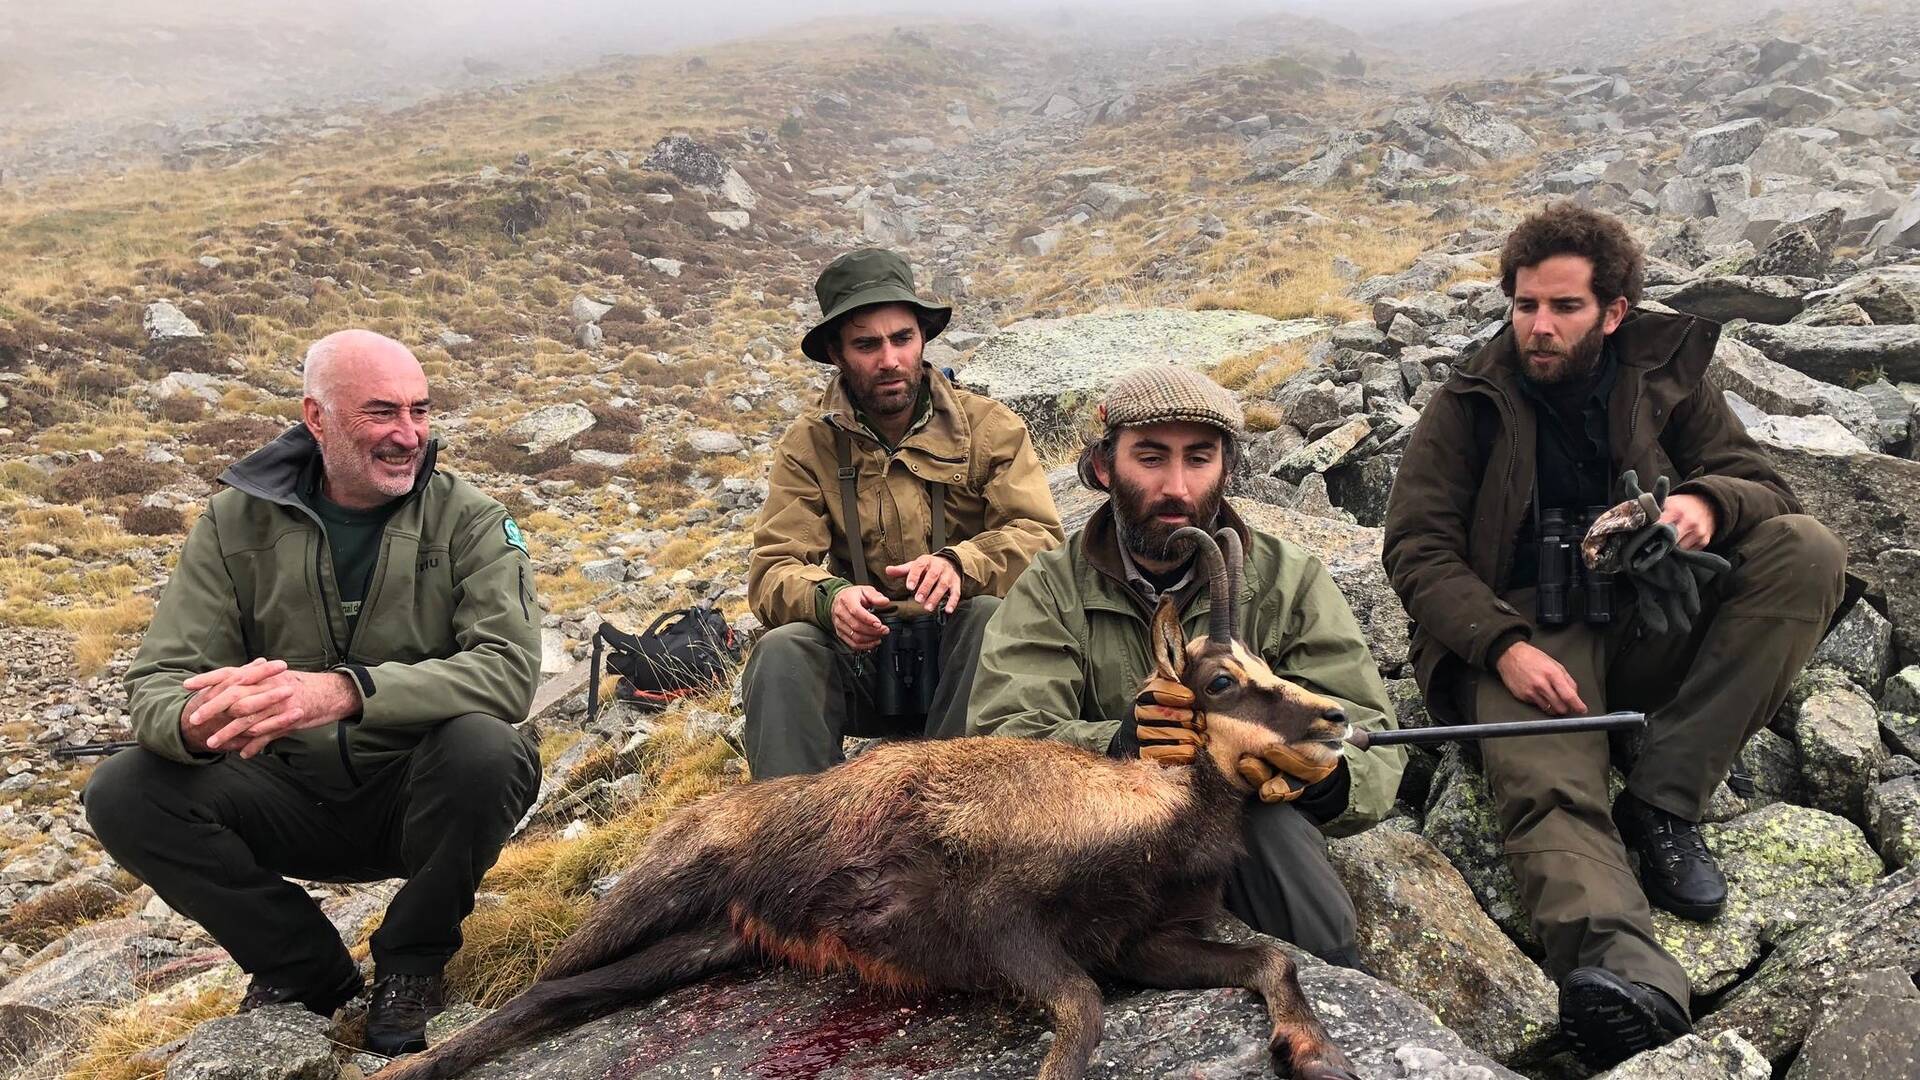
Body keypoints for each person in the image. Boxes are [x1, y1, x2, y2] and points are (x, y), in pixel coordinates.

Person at [1382, 203, 1846, 1067]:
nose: (1539, 327)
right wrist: (1499, 645)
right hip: (1524, 634)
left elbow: (1762, 484)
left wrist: (1706, 505)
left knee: (1808, 551)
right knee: (1546, 786)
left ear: (1615, 311)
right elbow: (1416, 547)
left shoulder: (1667, 374)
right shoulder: (1469, 400)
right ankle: (1629, 981)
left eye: (1564, 307)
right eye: (1525, 306)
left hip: (1647, 614)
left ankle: (1665, 799)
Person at [83, 330, 543, 1057]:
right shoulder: (234, 521)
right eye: (382, 413)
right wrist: (207, 719)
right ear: (317, 417)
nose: (409, 435)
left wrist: (343, 692)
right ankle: (304, 969)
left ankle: (414, 964)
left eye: (420, 411)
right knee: (123, 789)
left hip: (417, 794)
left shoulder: (471, 519)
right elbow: (156, 684)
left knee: (487, 746)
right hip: (285, 795)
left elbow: (510, 671)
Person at [967, 366, 1405, 969]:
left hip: (1239, 821)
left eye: (1198, 459)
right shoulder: (1048, 587)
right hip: (1103, 834)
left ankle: (1335, 994)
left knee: (1274, 833)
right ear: (1103, 468)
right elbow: (1000, 743)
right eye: (1150, 458)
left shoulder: (1289, 579)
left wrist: (1325, 777)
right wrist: (1122, 742)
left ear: (1227, 469)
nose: (1176, 486)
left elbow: (1373, 738)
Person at [743, 248, 1063, 779]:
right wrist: (831, 599)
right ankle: (796, 843)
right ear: (838, 354)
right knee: (782, 652)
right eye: (866, 344)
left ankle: (959, 827)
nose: (889, 359)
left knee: (986, 618)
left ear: (922, 339)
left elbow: (1040, 537)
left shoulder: (990, 428)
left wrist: (961, 565)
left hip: (966, 661)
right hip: (866, 656)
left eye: (902, 338)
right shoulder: (808, 446)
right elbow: (773, 570)